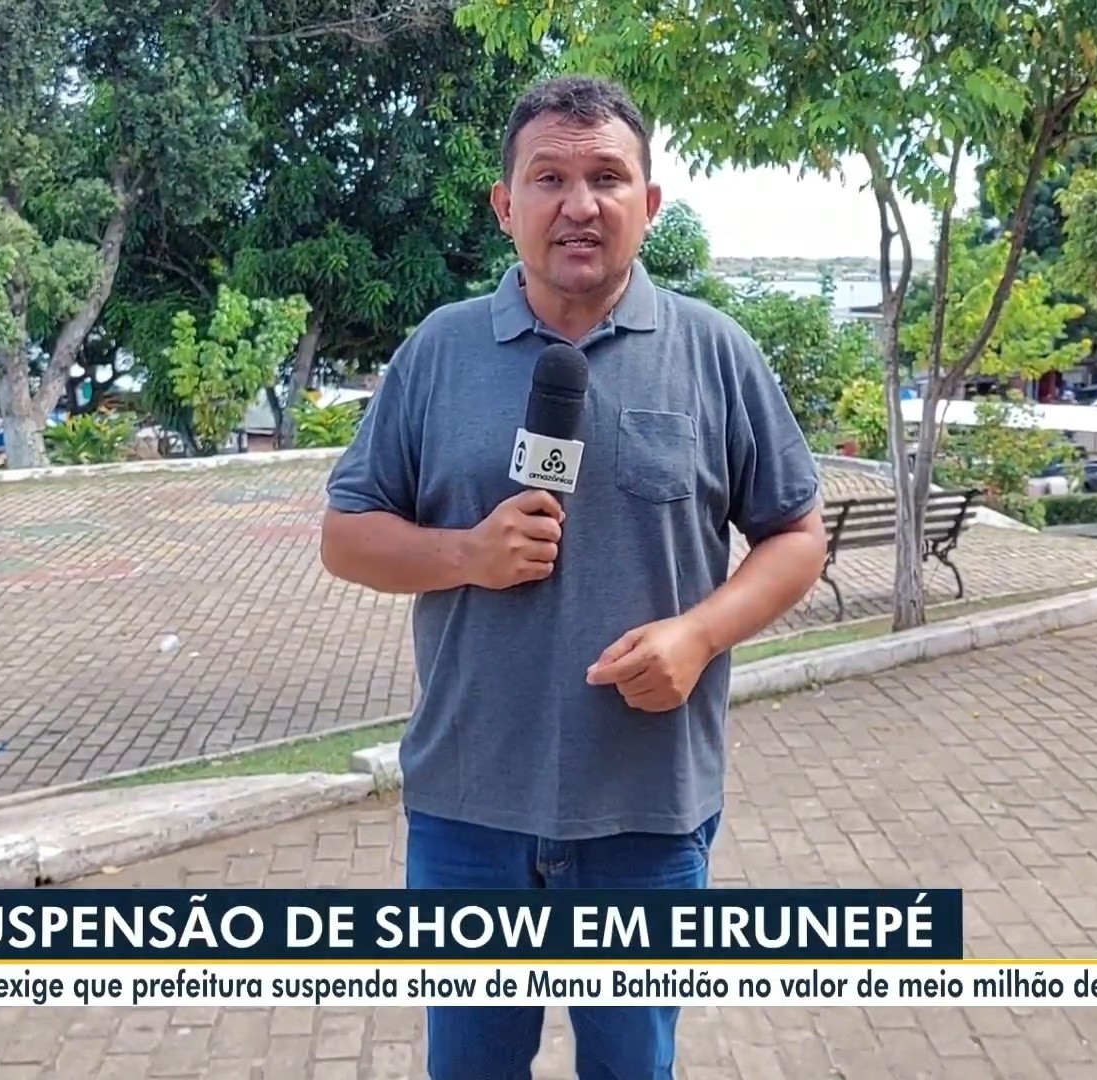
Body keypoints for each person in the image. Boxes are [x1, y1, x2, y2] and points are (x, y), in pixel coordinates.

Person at [319, 74, 827, 1079]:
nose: (579, 204)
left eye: (607, 177)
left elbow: (796, 535)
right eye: (548, 178)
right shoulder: (439, 351)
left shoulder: (715, 352)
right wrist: (465, 554)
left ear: (650, 202)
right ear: (505, 205)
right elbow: (346, 534)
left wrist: (699, 634)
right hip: (468, 809)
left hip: (647, 812)